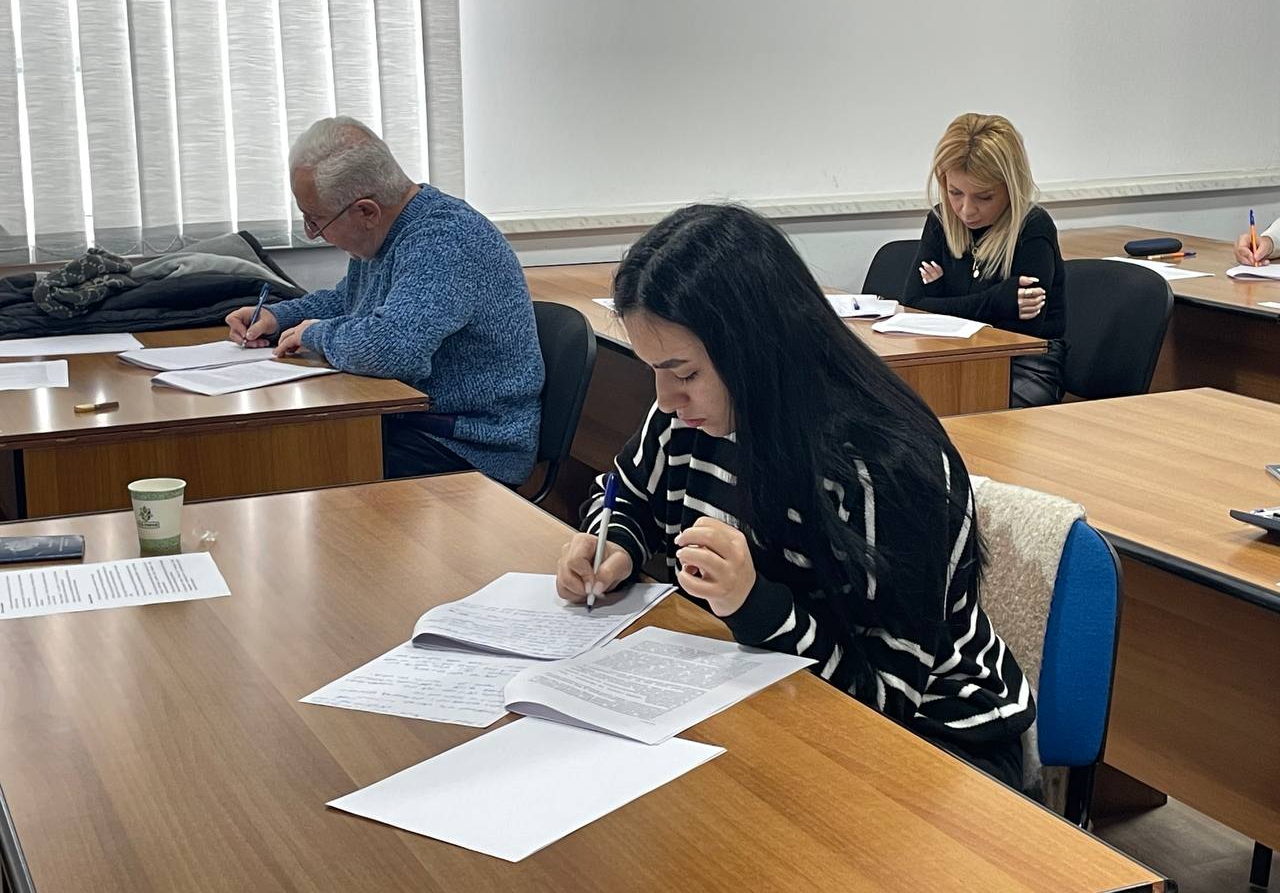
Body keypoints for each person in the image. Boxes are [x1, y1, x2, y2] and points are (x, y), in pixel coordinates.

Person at [555, 204, 1035, 790]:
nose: (666, 399)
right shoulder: (688, 416)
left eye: (685, 374)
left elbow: (883, 702)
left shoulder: (887, 467)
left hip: (937, 740)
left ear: (757, 348)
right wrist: (614, 545)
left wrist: (754, 604)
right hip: (764, 689)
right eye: (654, 369)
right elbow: (628, 496)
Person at [225, 116, 544, 486]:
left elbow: (391, 349)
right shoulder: (386, 231)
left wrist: (315, 334)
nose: (313, 234)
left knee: (296, 461)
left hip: (466, 445)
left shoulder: (444, 240)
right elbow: (350, 301)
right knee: (287, 451)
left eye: (316, 221)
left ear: (366, 211)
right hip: (412, 423)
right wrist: (278, 317)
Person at [901, 112, 1066, 408]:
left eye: (984, 197)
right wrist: (997, 300)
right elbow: (913, 306)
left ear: (1011, 187)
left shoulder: (1032, 228)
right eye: (955, 193)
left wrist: (941, 300)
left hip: (1026, 365)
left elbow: (1021, 333)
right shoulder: (941, 220)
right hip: (951, 354)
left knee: (948, 407)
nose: (966, 210)